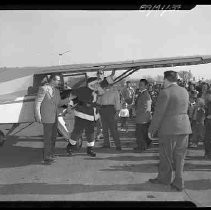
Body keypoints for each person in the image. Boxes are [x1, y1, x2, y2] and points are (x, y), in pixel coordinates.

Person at [148, 71, 192, 192]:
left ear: (166, 79)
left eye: (163, 80)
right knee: (180, 157)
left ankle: (164, 179)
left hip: (169, 129)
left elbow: (159, 114)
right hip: (184, 127)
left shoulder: (165, 92)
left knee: (165, 156)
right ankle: (179, 182)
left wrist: (152, 130)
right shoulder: (184, 91)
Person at [34, 74, 71, 165]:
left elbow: (58, 103)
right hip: (47, 116)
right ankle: (47, 157)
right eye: (58, 80)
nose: (59, 82)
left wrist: (68, 99)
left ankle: (51, 154)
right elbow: (37, 102)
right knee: (48, 138)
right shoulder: (43, 88)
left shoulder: (57, 91)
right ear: (52, 80)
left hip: (54, 116)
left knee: (53, 137)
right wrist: (37, 115)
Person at [97, 80, 122, 151]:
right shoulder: (102, 91)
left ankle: (118, 145)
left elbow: (117, 102)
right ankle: (106, 144)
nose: (105, 85)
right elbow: (98, 101)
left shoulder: (115, 91)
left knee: (113, 129)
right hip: (103, 110)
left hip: (111, 110)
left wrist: (117, 112)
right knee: (104, 129)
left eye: (106, 83)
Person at [134, 79, 152, 151]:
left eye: (141, 84)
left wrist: (136, 112)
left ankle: (142, 147)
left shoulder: (145, 94)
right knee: (140, 133)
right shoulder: (141, 93)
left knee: (141, 133)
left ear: (146, 86)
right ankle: (141, 146)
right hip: (141, 117)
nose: (140, 86)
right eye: (139, 84)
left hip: (143, 117)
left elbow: (145, 107)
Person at [204, 89, 211, 159]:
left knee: (208, 138)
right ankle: (207, 153)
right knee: (207, 139)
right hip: (208, 123)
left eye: (208, 95)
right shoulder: (207, 103)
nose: (207, 97)